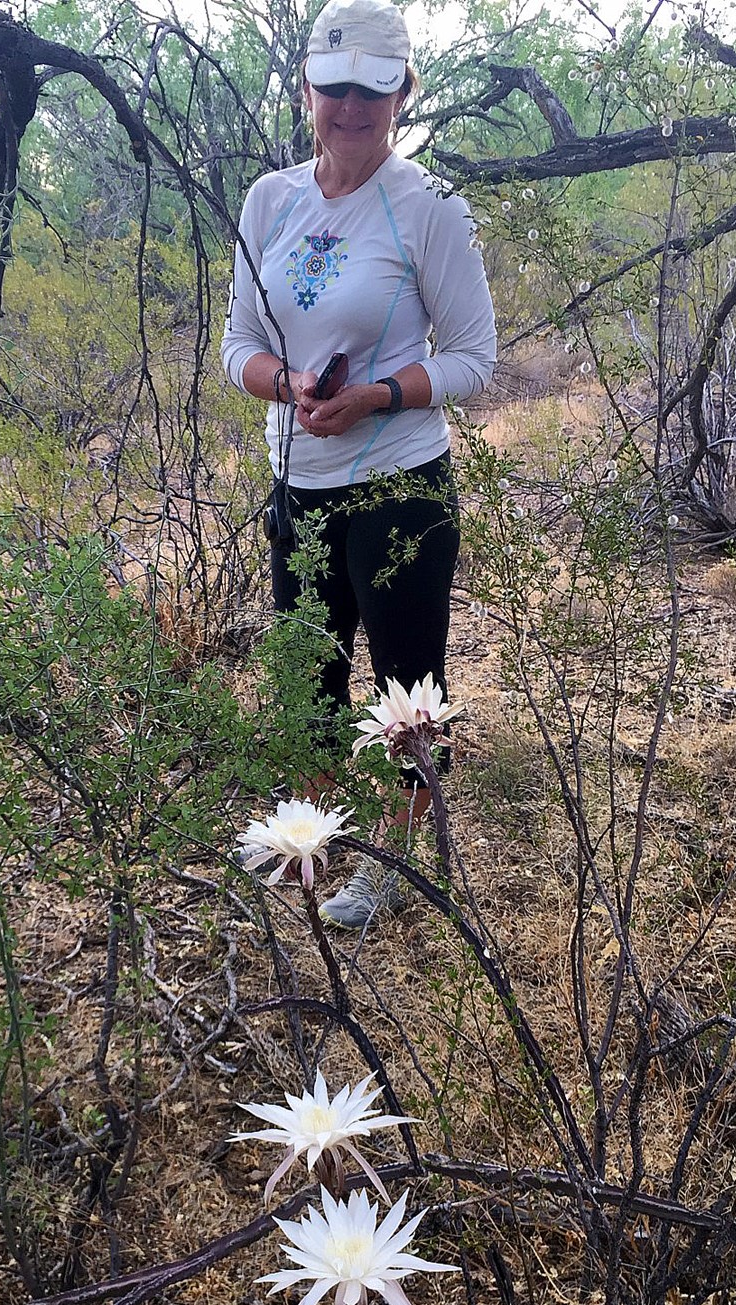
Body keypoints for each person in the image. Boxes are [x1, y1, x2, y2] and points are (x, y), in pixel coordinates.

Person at [221, 0, 496, 928]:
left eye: (373, 91)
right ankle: (310, 840)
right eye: (334, 88)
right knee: (308, 673)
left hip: (400, 487)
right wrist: (286, 382)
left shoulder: (428, 209)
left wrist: (376, 395)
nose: (351, 108)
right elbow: (237, 345)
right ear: (306, 90)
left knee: (405, 688)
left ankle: (400, 865)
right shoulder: (271, 202)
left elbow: (473, 356)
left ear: (402, 94)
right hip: (298, 484)